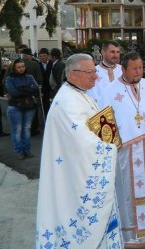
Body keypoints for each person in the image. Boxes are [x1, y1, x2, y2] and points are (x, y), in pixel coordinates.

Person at [35, 54, 123, 248]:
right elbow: (82, 143)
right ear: (73, 74)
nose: (95, 76)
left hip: (76, 171)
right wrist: (109, 148)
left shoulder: (80, 94)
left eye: (94, 71)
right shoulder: (68, 102)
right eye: (90, 72)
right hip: (72, 178)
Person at [98, 52, 145, 247]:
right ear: (123, 68)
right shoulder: (110, 90)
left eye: (141, 68)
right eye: (134, 68)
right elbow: (105, 123)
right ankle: (132, 235)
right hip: (126, 152)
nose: (139, 72)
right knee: (128, 191)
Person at [5, 59, 39, 159]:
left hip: (29, 106)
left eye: (23, 66)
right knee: (17, 129)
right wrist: (28, 90)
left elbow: (36, 89)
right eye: (18, 67)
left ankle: (27, 150)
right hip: (15, 107)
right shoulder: (9, 79)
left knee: (27, 129)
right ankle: (19, 151)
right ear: (14, 68)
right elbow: (13, 93)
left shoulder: (29, 77)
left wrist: (21, 89)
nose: (21, 69)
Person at [37, 48, 53, 116]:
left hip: (50, 88)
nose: (42, 58)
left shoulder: (52, 64)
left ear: (48, 56)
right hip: (42, 89)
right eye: (40, 56)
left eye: (44, 55)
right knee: (43, 106)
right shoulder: (38, 65)